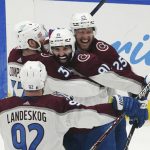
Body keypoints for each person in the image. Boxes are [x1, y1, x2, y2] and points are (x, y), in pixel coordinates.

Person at [0, 61, 148, 150]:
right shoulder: (55, 104)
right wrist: (118, 107)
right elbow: (91, 115)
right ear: (44, 80)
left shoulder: (4, 107)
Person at [48, 28, 149, 150]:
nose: (61, 54)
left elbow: (117, 79)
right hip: (68, 132)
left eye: (66, 48)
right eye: (57, 49)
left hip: (98, 126)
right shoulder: (47, 64)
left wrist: (140, 85)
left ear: (72, 47)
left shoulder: (88, 62)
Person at [8, 21, 50, 97]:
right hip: (37, 104)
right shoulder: (42, 60)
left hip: (17, 103)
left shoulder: (13, 54)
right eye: (39, 35)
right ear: (31, 43)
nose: (43, 38)